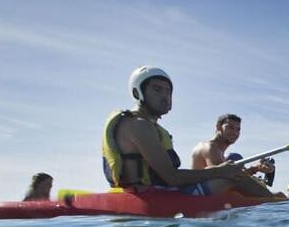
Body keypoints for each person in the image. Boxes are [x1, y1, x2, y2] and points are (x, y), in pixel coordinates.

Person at [102, 67, 273, 197]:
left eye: (168, 91)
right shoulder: (139, 125)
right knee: (233, 176)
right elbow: (172, 177)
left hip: (161, 191)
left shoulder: (146, 125)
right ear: (137, 92)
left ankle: (272, 200)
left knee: (233, 167)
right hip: (153, 196)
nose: (165, 96)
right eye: (157, 89)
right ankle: (274, 202)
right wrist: (221, 171)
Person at [191, 114, 277, 188]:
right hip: (201, 196)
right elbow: (222, 179)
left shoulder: (216, 149)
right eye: (230, 127)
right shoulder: (211, 148)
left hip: (209, 192)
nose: (235, 132)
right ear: (218, 127)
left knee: (235, 158)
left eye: (238, 129)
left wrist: (256, 168)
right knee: (235, 158)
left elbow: (226, 177)